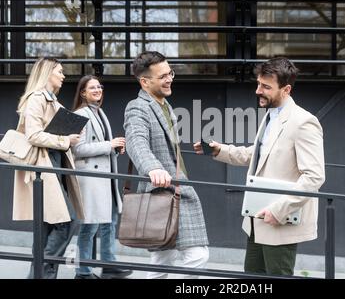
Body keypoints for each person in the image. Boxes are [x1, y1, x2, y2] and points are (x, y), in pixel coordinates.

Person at [194, 57, 325, 276]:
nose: (258, 91)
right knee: (252, 275)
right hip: (257, 221)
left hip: (279, 220)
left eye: (266, 86)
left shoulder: (303, 122)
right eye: (258, 84)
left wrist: (278, 210)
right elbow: (256, 156)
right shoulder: (271, 116)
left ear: (286, 89)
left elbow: (314, 177)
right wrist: (219, 150)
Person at [124, 51, 209, 279]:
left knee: (164, 259)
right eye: (162, 76)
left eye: (169, 73)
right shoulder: (137, 107)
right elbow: (136, 141)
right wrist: (153, 168)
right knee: (195, 255)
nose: (169, 78)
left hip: (176, 188)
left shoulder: (165, 105)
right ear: (145, 81)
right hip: (163, 191)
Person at [13, 57, 85, 279]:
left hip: (55, 167)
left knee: (45, 228)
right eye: (60, 71)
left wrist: (71, 134)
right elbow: (33, 135)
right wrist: (65, 141)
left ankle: (38, 275)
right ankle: (45, 271)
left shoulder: (54, 102)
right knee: (68, 221)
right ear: (47, 73)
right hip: (43, 170)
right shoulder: (37, 99)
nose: (63, 76)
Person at [71, 75, 132, 279]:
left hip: (105, 178)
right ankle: (82, 271)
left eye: (99, 86)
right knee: (89, 227)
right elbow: (77, 149)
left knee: (110, 221)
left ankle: (109, 264)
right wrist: (109, 145)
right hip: (90, 179)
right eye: (92, 87)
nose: (97, 90)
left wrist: (114, 149)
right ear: (83, 93)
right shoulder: (80, 114)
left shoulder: (98, 111)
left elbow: (102, 145)